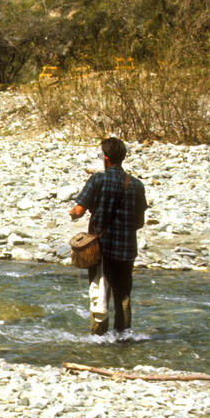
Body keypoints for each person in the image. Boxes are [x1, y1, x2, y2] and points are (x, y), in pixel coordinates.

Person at [69, 136, 148, 336]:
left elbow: (78, 211)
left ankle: (98, 338)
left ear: (105, 158)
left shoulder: (98, 179)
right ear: (122, 157)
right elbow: (139, 222)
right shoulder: (137, 185)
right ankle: (123, 338)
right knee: (123, 296)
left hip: (99, 250)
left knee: (99, 294)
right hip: (126, 250)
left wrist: (72, 213)